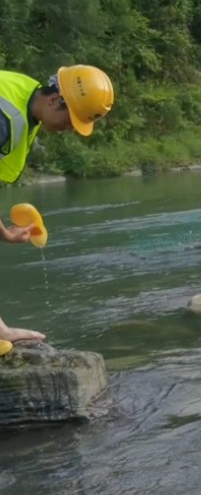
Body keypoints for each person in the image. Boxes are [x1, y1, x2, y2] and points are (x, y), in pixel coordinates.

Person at [0, 64, 114, 343]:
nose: (71, 129)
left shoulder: (23, 92)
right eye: (71, 120)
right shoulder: (4, 120)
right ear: (54, 100)